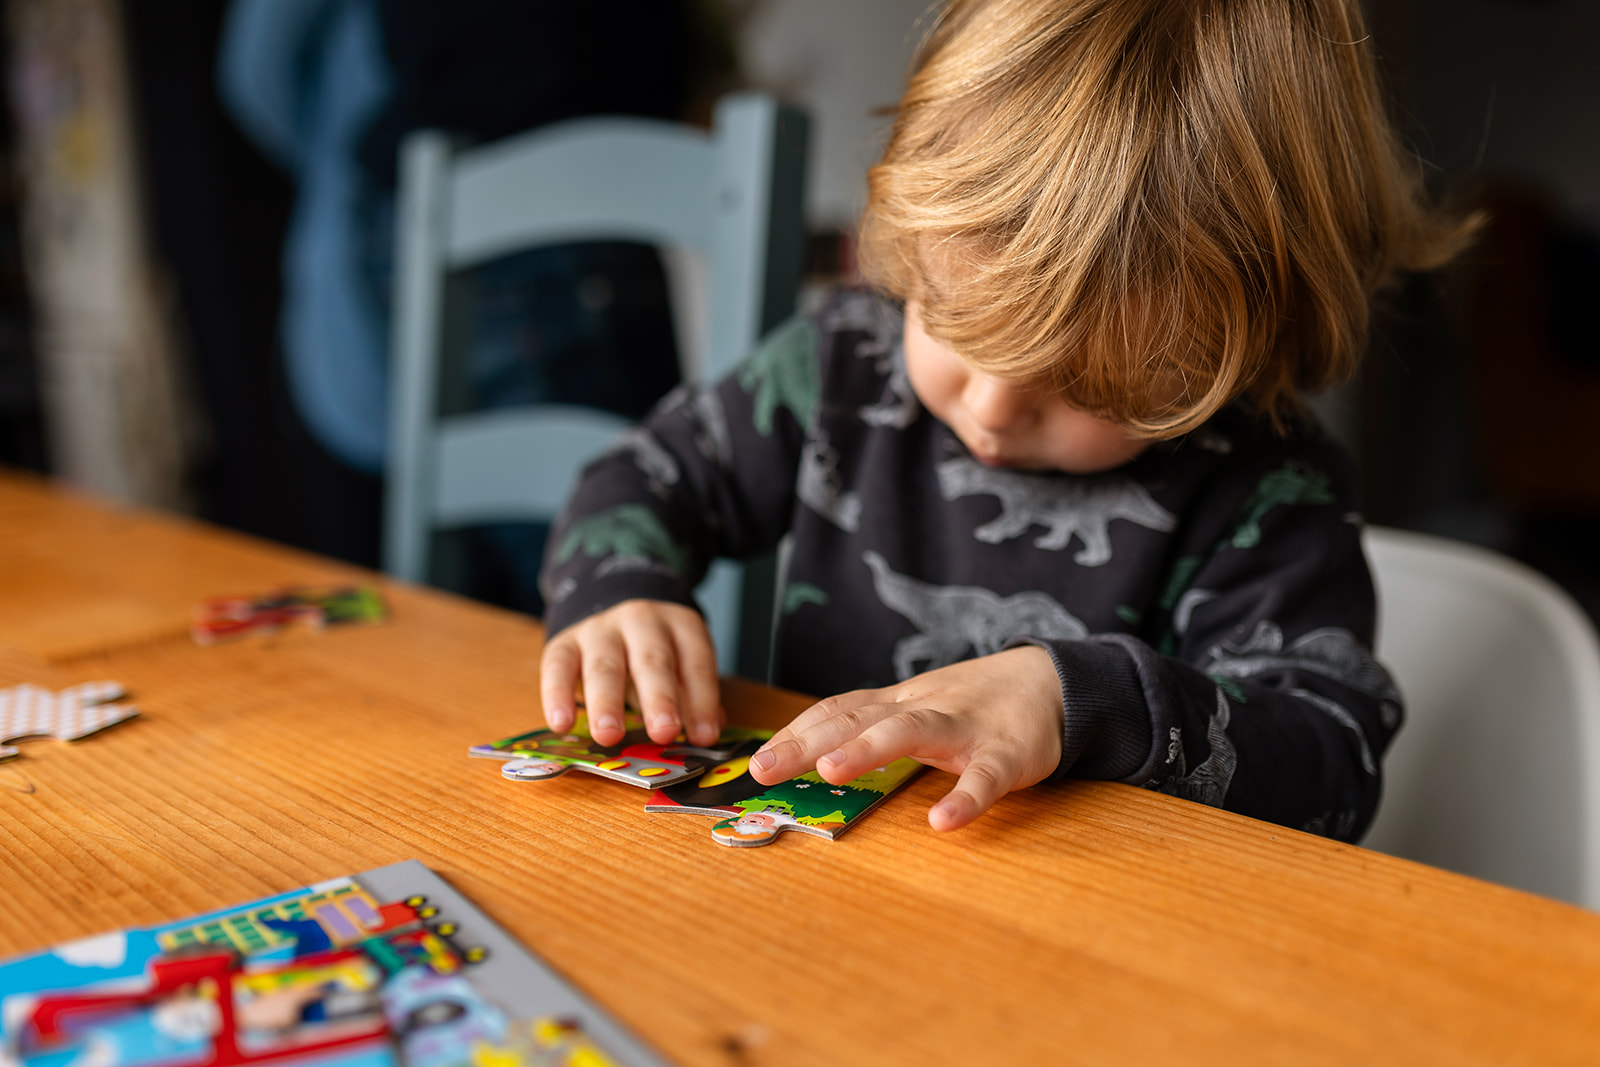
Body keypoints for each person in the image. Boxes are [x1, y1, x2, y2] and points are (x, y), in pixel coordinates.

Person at [535, 0, 1478, 841]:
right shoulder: (842, 361)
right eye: (946, 319)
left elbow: (1331, 759)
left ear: (1243, 346)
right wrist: (620, 592)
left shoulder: (1272, 488)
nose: (986, 410)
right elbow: (637, 478)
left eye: (1083, 385)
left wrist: (1083, 701)